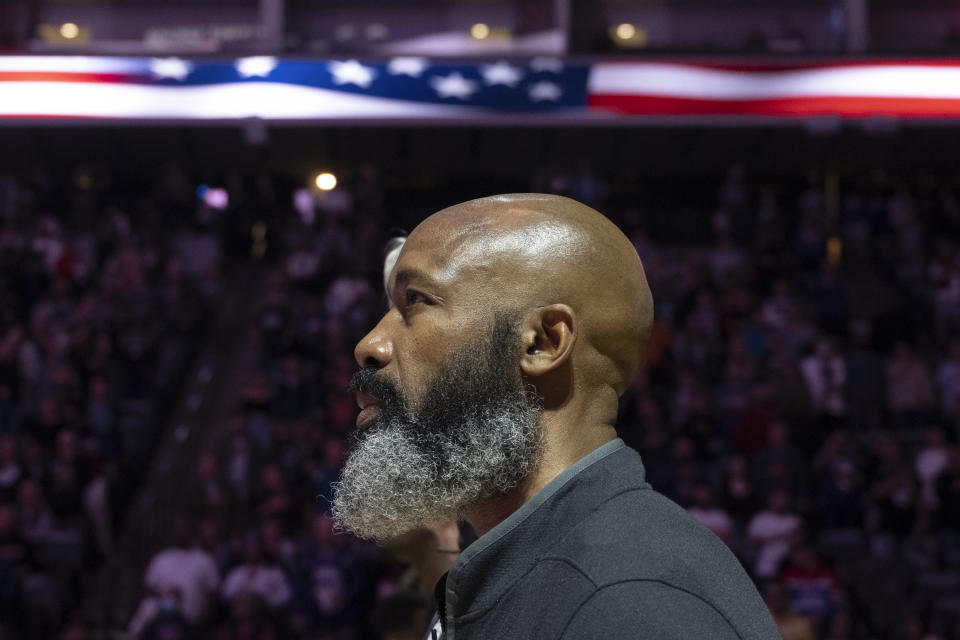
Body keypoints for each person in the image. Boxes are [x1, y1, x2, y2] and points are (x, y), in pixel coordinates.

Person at [333, 194, 779, 638]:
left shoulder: (627, 600)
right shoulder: (541, 567)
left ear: (543, 342)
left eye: (415, 301)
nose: (369, 345)